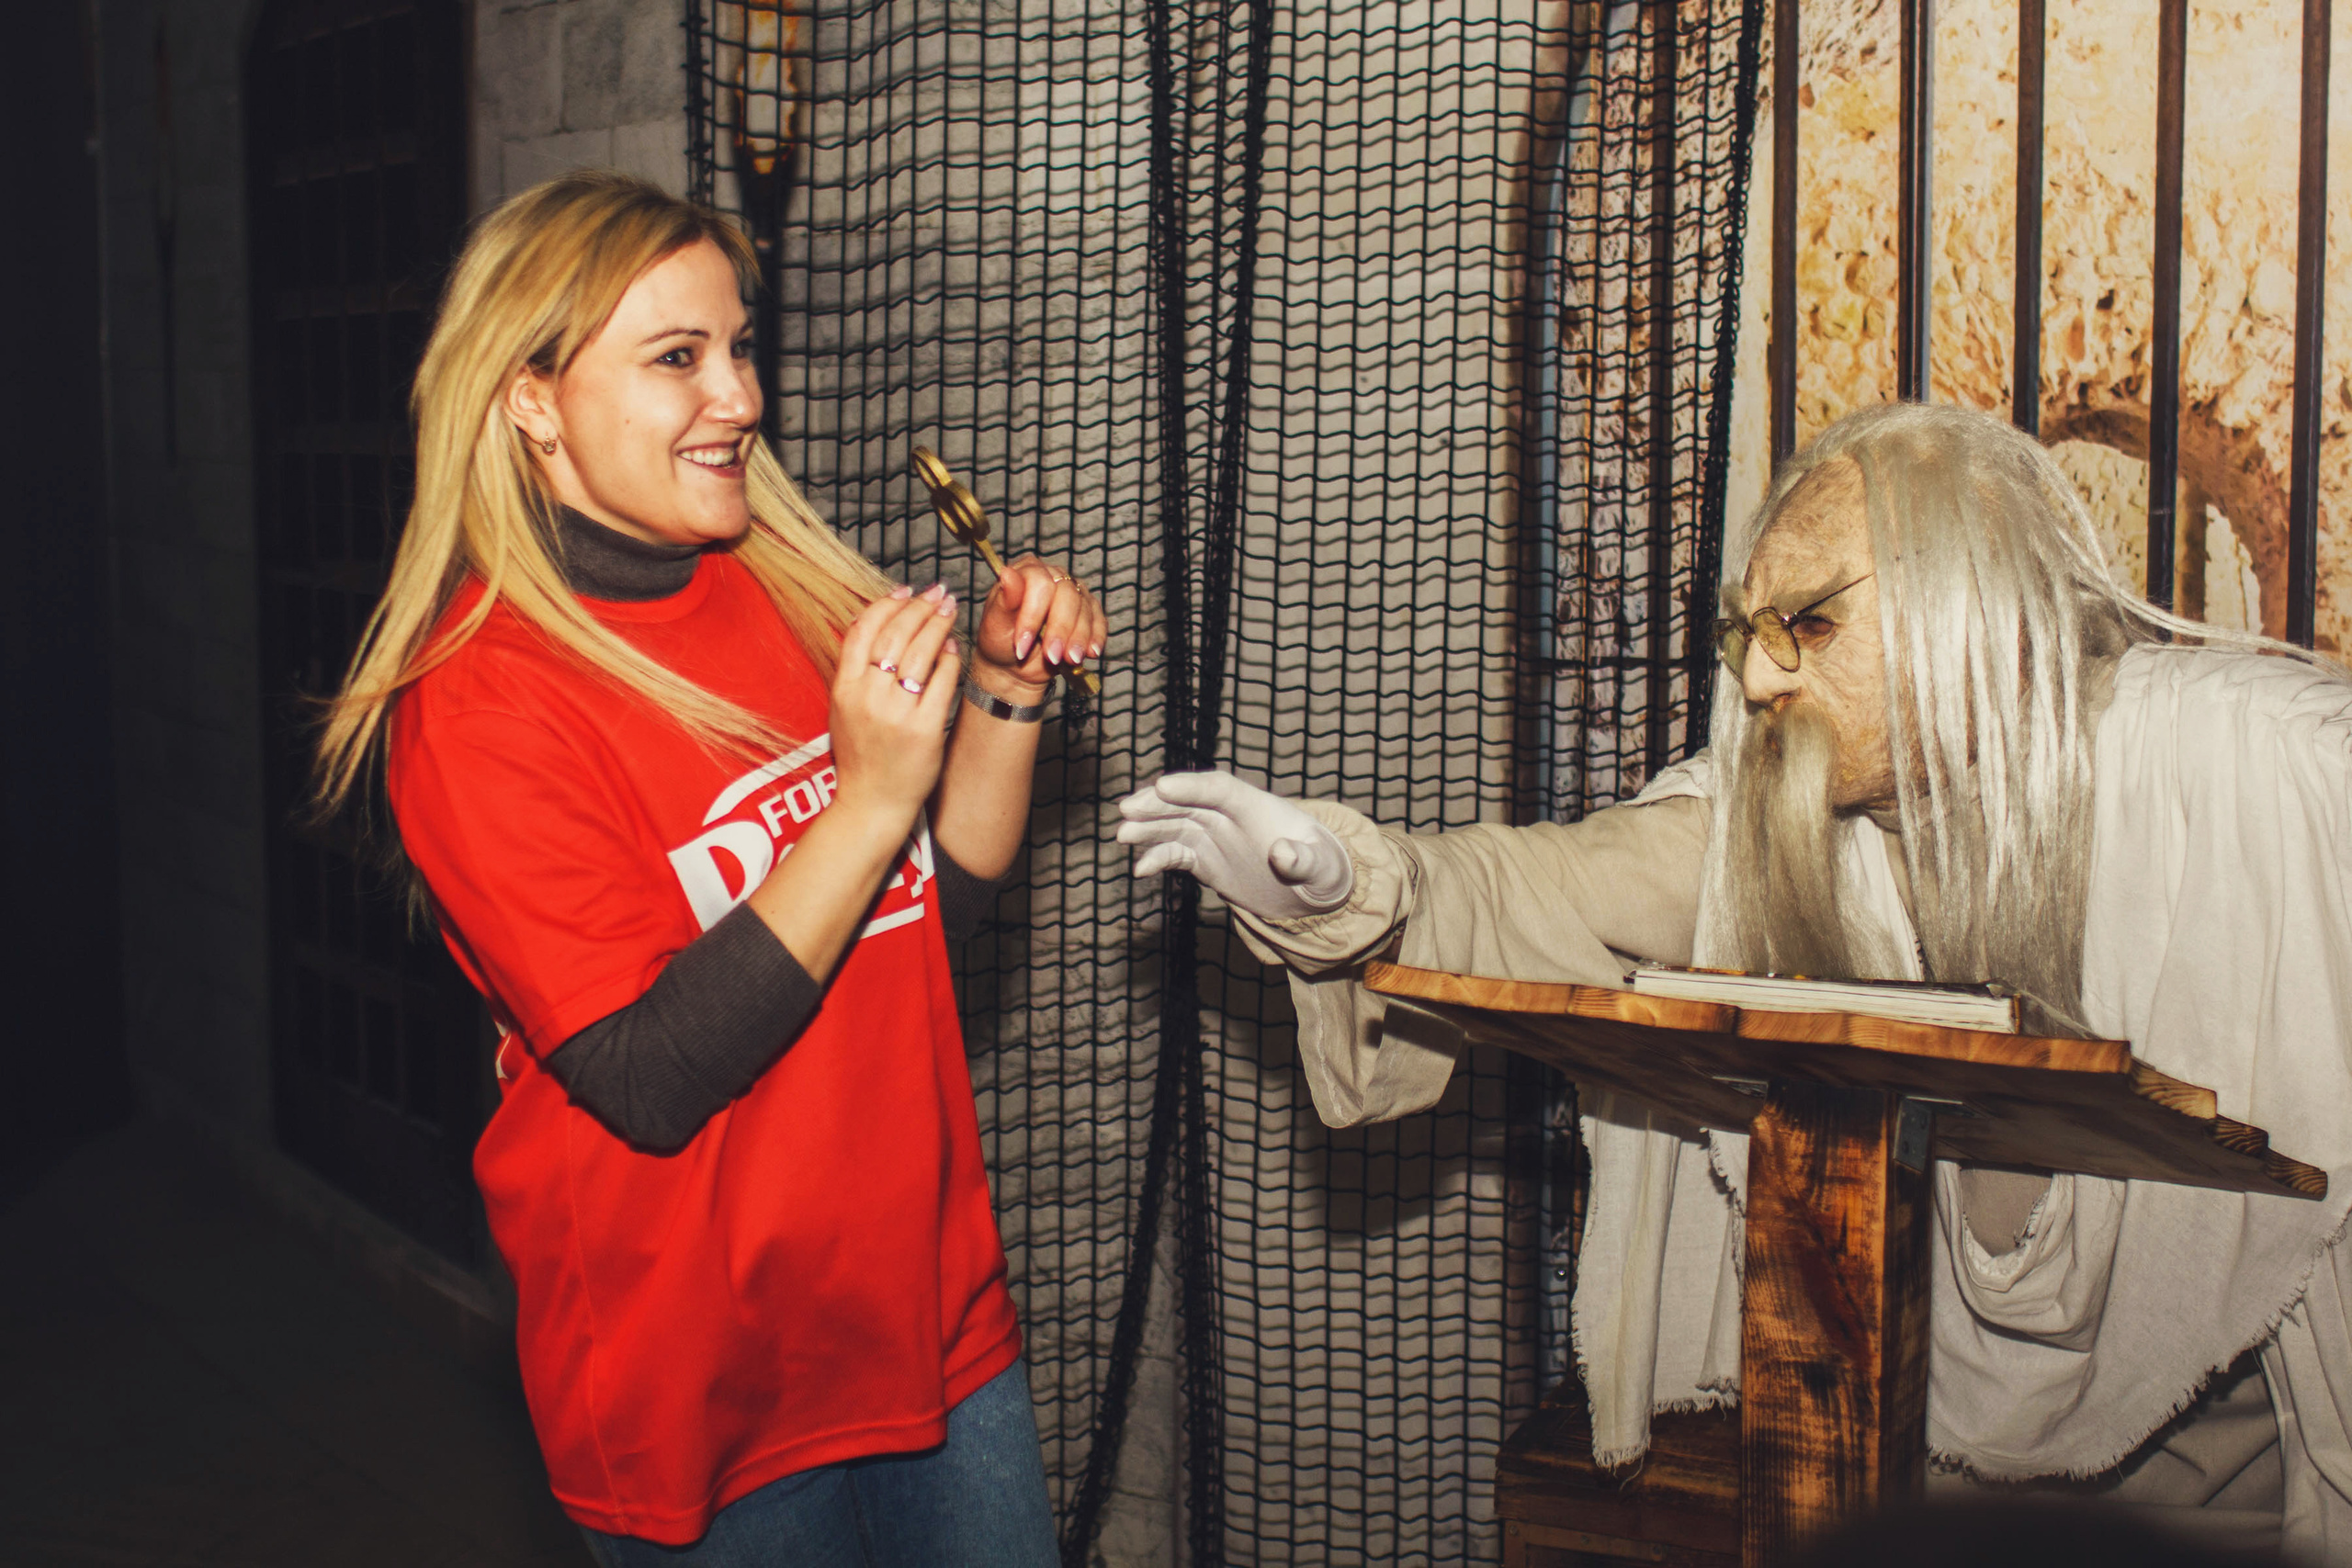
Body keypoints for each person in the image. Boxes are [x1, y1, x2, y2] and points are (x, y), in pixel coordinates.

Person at [1118, 402, 2352, 1562]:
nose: (1759, 683)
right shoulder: (1767, 820)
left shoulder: (2257, 777)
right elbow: (1545, 895)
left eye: (1809, 624)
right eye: (1744, 635)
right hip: (1914, 1498)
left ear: (1964, 605)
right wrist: (1349, 891)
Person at [312, 170, 1105, 1565]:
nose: (737, 396)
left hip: (923, 1315)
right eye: (677, 358)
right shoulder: (479, 701)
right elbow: (649, 1075)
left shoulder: (779, 578)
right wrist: (862, 802)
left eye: (738, 348)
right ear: (533, 399)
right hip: (705, 1383)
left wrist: (1002, 690)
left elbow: (930, 915)